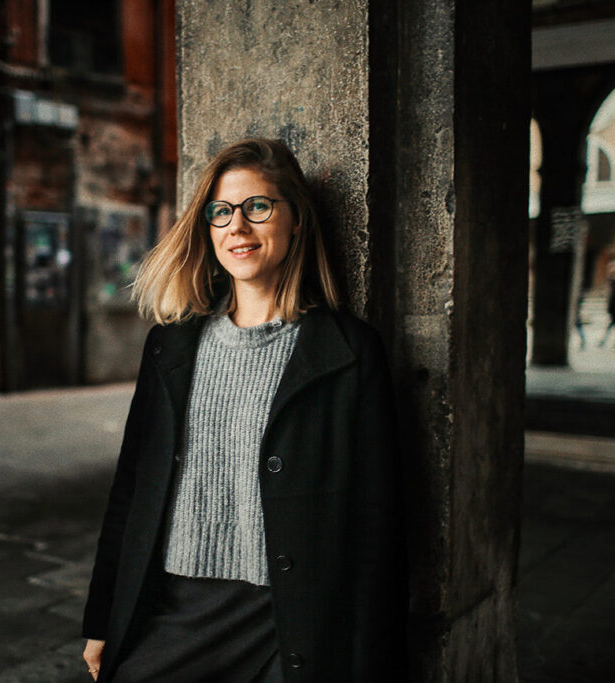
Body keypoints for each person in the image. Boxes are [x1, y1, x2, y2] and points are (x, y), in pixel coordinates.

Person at [81, 138, 407, 682]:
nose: (238, 227)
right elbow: (131, 490)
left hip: (288, 620)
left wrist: (369, 659)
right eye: (221, 212)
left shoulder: (348, 352)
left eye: (258, 206)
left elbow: (378, 523)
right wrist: (102, 615)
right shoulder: (171, 347)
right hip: (177, 609)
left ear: (296, 218)